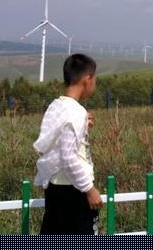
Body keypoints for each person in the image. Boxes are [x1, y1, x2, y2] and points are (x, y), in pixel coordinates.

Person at [33, 53, 103, 234]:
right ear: (87, 79)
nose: (94, 84)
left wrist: (83, 125)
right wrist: (90, 190)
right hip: (74, 192)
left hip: (54, 189)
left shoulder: (55, 106)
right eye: (94, 79)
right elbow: (68, 157)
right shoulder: (76, 112)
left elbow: (55, 140)